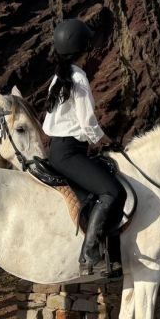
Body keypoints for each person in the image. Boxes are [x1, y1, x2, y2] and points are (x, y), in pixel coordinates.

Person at [42, 19, 125, 276]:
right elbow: (87, 120)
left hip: (59, 149)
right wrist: (104, 141)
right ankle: (89, 255)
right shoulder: (77, 77)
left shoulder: (59, 77)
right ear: (83, 47)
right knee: (112, 192)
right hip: (69, 151)